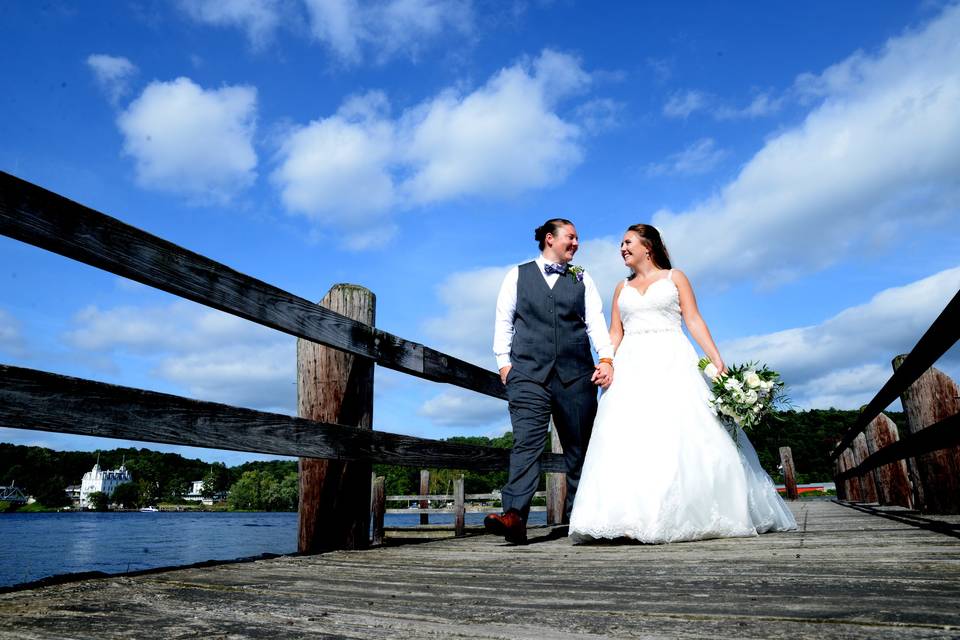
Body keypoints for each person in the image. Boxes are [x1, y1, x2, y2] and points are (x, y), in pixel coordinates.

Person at [568, 224, 796, 543]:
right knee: (629, 435)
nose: (621, 248)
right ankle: (627, 519)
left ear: (648, 247)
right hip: (631, 364)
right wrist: (606, 361)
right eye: (621, 243)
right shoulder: (621, 287)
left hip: (672, 356)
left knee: (682, 430)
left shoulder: (675, 277)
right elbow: (615, 332)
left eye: (628, 242)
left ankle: (696, 510)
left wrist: (716, 359)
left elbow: (693, 319)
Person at [485, 218, 614, 544]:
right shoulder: (517, 274)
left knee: (579, 449)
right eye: (570, 237)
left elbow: (596, 322)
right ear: (549, 239)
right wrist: (504, 364)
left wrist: (607, 358)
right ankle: (514, 516)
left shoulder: (582, 277)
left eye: (577, 238)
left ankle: (581, 520)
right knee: (527, 443)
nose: (576, 243)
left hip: (576, 374)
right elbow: (504, 319)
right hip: (528, 374)